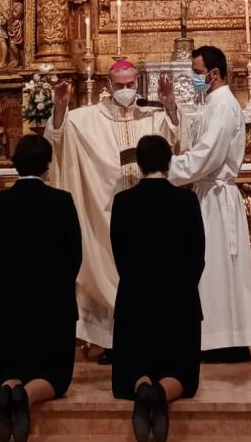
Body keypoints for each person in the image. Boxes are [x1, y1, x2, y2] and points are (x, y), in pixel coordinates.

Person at [46, 59, 179, 353]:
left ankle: (148, 337)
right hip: (103, 213)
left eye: (131, 85)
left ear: (138, 84)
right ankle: (110, 342)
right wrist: (59, 109)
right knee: (106, 264)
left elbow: (176, 141)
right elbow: (58, 140)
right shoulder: (86, 119)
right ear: (108, 85)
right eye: (119, 85)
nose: (126, 90)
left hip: (147, 214)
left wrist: (170, 107)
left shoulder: (151, 117)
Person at [0, 133, 82, 442]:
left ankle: (8, 390)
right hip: (53, 301)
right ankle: (25, 396)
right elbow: (74, 254)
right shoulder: (62, 201)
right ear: (47, 167)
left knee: (10, 363)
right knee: (55, 374)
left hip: (11, 299)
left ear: (14, 165)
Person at [168, 46, 251, 361]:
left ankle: (225, 340)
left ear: (214, 73)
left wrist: (167, 171)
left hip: (217, 197)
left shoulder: (223, 106)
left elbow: (207, 155)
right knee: (213, 268)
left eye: (197, 72)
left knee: (218, 265)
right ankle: (217, 338)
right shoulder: (213, 103)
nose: (194, 78)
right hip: (208, 195)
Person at [111, 133, 205, 442]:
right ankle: (162, 392)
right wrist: (182, 288)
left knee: (129, 370)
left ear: (138, 164)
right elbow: (197, 255)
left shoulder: (123, 202)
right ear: (169, 162)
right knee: (184, 375)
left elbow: (119, 253)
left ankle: (142, 391)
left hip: (135, 301)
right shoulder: (187, 200)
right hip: (179, 302)